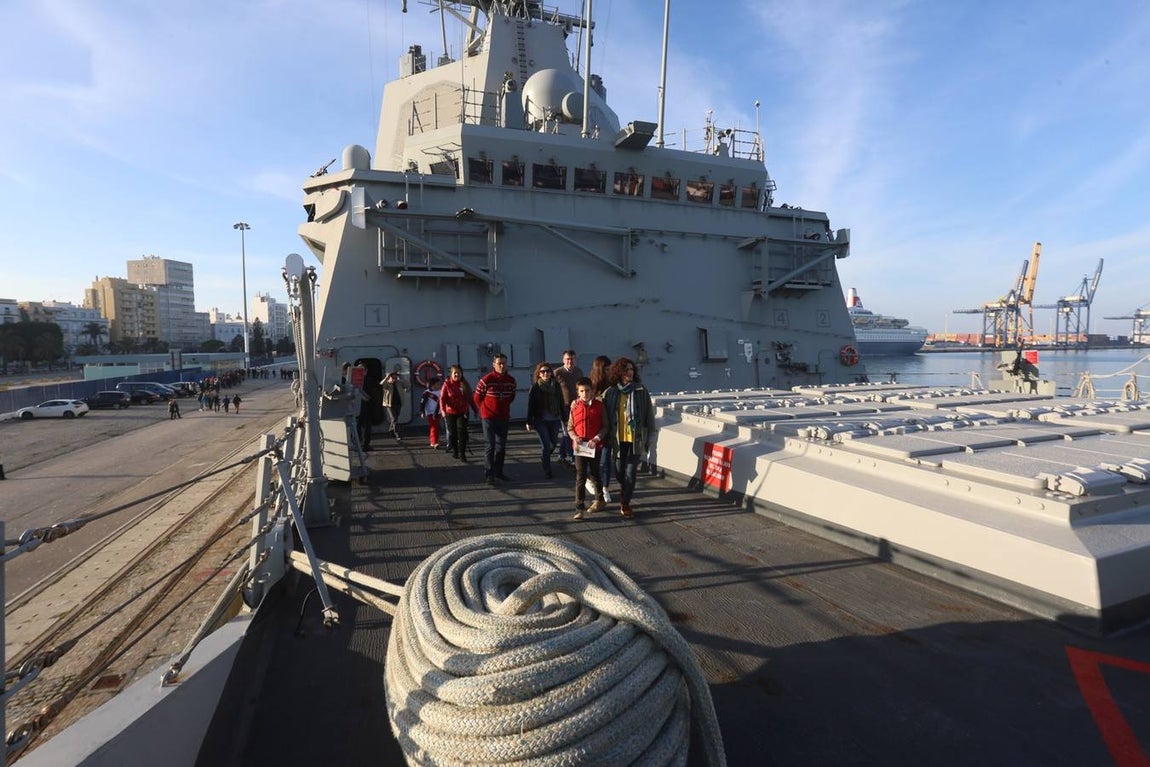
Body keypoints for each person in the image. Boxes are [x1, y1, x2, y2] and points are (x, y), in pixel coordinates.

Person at [602, 356, 655, 519]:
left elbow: (649, 413)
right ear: (619, 372)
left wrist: (651, 433)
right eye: (626, 370)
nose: (629, 372)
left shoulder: (640, 390)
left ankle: (625, 503)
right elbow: (600, 410)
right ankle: (624, 489)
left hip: (635, 438)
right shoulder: (610, 392)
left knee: (631, 472)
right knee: (619, 472)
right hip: (617, 439)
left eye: (632, 369)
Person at [473, 353, 517, 484]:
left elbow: (511, 397)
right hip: (488, 417)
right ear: (494, 364)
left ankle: (499, 472)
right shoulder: (486, 380)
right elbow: (477, 397)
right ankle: (489, 474)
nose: (502, 366)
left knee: (501, 447)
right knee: (490, 445)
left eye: (504, 363)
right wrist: (484, 410)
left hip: (503, 417)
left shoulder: (511, 380)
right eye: (499, 363)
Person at [568, 377, 606, 520]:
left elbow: (605, 426)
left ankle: (599, 499)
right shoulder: (574, 407)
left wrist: (596, 439)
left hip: (594, 445)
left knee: (595, 473)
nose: (585, 394)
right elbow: (570, 427)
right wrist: (574, 437)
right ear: (578, 392)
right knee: (580, 475)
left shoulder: (599, 406)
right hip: (580, 446)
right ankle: (579, 507)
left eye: (587, 391)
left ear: (592, 391)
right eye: (582, 391)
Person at [525, 362, 564, 478]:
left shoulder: (556, 386)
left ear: (551, 373)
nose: (545, 373)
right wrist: (529, 421)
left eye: (547, 371)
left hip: (555, 419)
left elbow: (561, 402)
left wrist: (565, 418)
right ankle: (547, 470)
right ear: (539, 374)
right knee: (546, 445)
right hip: (541, 420)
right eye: (542, 372)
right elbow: (530, 405)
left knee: (553, 444)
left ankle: (544, 456)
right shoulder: (535, 387)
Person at [589, 354, 614, 502]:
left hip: (607, 428)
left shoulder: (613, 385)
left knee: (605, 460)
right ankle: (590, 480)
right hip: (593, 429)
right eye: (606, 369)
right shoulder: (591, 386)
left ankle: (605, 488)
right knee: (591, 461)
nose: (609, 371)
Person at [552, 349, 584, 466]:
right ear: (563, 360)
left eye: (572, 359)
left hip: (576, 406)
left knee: (573, 431)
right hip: (564, 407)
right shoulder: (557, 373)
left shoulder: (578, 372)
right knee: (567, 432)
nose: (570, 361)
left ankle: (561, 454)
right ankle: (572, 457)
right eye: (567, 359)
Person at [439, 365, 476, 461]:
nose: (457, 374)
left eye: (458, 373)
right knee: (453, 434)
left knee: (462, 432)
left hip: (462, 412)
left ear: (461, 374)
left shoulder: (465, 384)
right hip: (450, 413)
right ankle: (455, 451)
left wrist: (475, 410)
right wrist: (443, 411)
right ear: (451, 374)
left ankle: (462, 454)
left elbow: (471, 399)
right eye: (454, 373)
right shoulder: (447, 384)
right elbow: (442, 398)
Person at [419, 376, 442, 448]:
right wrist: (422, 411)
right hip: (430, 412)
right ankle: (434, 442)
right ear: (433, 385)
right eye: (438, 384)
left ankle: (435, 440)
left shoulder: (441, 391)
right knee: (434, 426)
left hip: (439, 412)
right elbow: (422, 403)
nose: (439, 385)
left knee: (436, 426)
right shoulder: (426, 393)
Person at [381, 369, 403, 442]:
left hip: (398, 403)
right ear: (390, 378)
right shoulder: (387, 384)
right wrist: (386, 378)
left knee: (395, 418)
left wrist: (401, 377)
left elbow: (408, 384)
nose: (394, 379)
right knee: (394, 418)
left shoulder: (399, 383)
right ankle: (397, 434)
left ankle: (391, 429)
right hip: (389, 404)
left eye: (395, 378)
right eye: (393, 378)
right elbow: (381, 384)